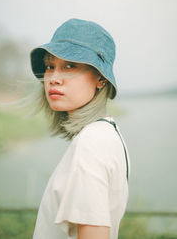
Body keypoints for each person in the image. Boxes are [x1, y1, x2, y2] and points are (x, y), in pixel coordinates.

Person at [30, 18, 130, 239]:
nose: (54, 79)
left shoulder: (93, 142)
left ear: (101, 79)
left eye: (70, 65)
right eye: (50, 66)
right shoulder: (107, 133)